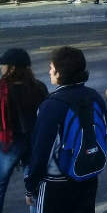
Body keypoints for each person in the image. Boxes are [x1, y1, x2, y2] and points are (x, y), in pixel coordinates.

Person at [25, 46, 107, 213]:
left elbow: (42, 150)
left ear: (60, 72)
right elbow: (103, 134)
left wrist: (30, 186)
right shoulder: (95, 96)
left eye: (51, 67)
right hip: (88, 174)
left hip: (57, 182)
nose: (49, 71)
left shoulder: (51, 105)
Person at [0, 48, 48, 212]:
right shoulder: (38, 86)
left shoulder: (3, 88)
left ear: (12, 68)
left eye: (4, 65)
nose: (1, 67)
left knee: (1, 184)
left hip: (10, 142)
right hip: (34, 140)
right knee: (32, 183)